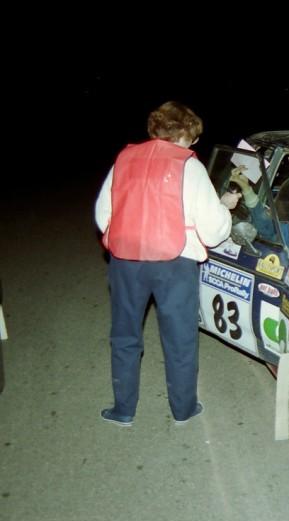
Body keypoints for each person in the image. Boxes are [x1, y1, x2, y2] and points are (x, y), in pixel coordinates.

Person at [95, 101, 239, 426]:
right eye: (194, 137)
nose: (194, 143)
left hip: (125, 262)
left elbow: (103, 214)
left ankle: (123, 410)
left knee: (124, 336)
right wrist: (224, 207)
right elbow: (213, 230)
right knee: (179, 338)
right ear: (186, 133)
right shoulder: (189, 165)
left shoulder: (124, 158)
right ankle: (183, 409)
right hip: (174, 263)